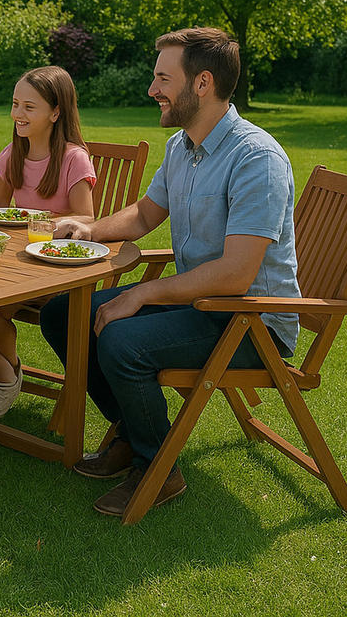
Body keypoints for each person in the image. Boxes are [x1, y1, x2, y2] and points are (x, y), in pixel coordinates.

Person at [38, 27, 301, 517]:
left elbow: (237, 275)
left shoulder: (255, 157)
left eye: (162, 78)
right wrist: (88, 230)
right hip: (199, 305)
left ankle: (157, 468)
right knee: (62, 314)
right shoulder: (181, 146)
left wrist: (143, 294)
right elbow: (143, 214)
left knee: (121, 338)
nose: (152, 89)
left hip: (250, 322)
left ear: (201, 84)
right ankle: (131, 432)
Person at [0, 66, 96, 421]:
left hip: (56, 272)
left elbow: (90, 218)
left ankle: (3, 377)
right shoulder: (14, 153)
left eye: (29, 107)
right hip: (16, 266)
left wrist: (54, 222)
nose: (17, 114)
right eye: (15, 104)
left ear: (55, 112)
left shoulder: (73, 158)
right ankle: (5, 373)